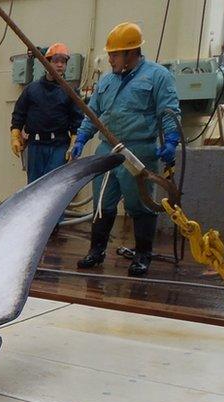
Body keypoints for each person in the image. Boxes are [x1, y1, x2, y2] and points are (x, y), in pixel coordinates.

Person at [71, 22, 181, 277]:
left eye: (115, 54)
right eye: (110, 54)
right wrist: (81, 138)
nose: (109, 59)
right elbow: (93, 113)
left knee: (140, 204)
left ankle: (143, 255)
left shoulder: (157, 76)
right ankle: (96, 251)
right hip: (106, 151)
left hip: (138, 151)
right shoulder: (107, 81)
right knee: (102, 203)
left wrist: (171, 140)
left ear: (132, 53)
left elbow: (168, 110)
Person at [10, 43, 83, 185]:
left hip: (59, 147)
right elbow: (19, 114)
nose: (60, 65)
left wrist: (73, 144)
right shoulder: (31, 90)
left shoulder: (70, 92)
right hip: (35, 147)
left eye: (63, 61)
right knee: (34, 188)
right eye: (56, 61)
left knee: (53, 186)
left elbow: (77, 121)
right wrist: (15, 136)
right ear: (46, 63)